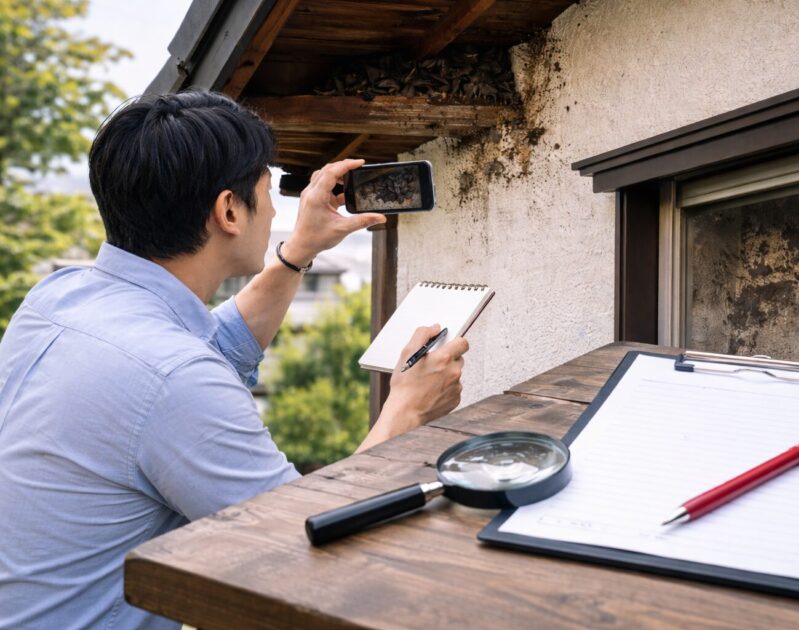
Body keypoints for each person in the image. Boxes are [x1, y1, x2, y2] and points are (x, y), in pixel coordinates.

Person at [0, 90, 468, 629]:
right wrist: (406, 408)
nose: (273, 210)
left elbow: (202, 351)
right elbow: (300, 536)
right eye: (268, 192)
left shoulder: (58, 297)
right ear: (228, 211)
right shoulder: (171, 378)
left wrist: (298, 251)